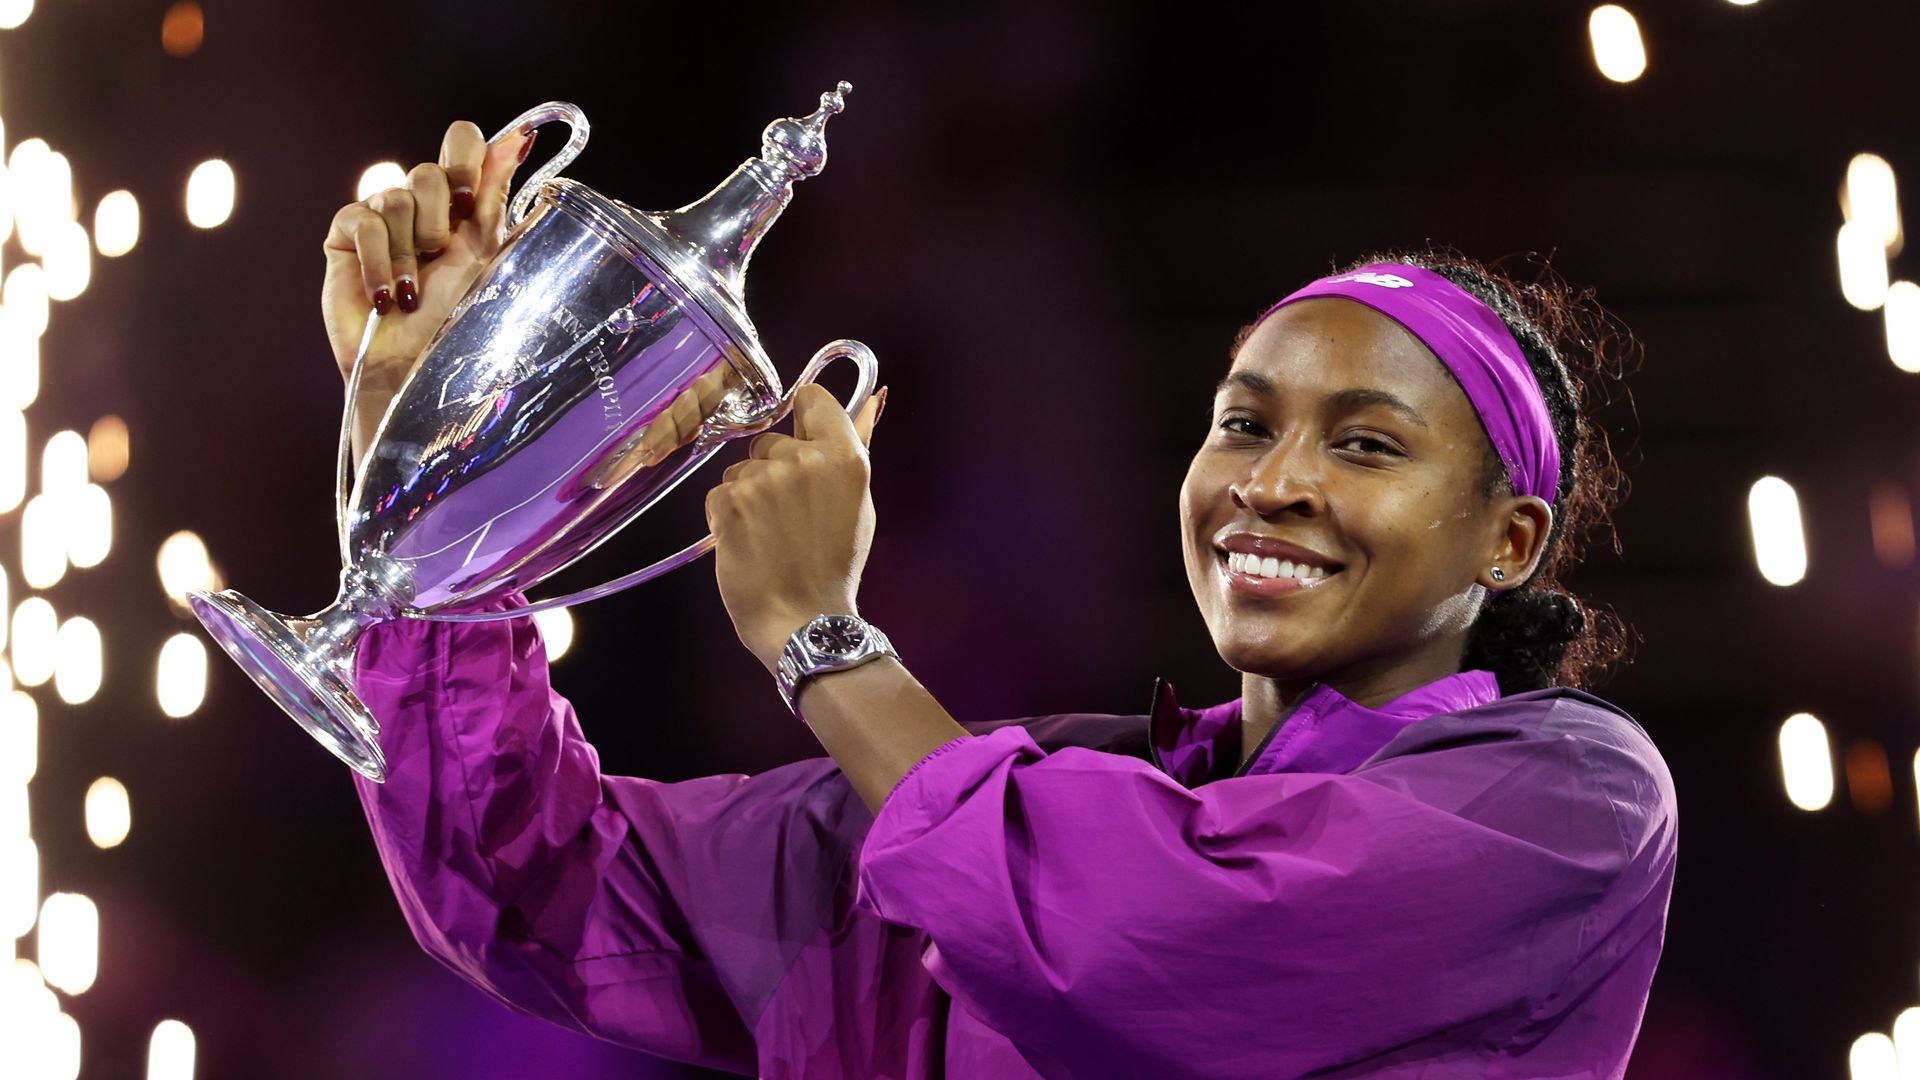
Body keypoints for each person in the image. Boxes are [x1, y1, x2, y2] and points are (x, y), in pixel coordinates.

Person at [326, 121, 1677, 1079]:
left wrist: (825, 642)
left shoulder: (1570, 804)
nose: (1273, 484)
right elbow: (545, 892)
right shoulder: (1030, 783)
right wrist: (445, 449)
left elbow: (1135, 945)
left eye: (1365, 443)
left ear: (1509, 542)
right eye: (1240, 423)